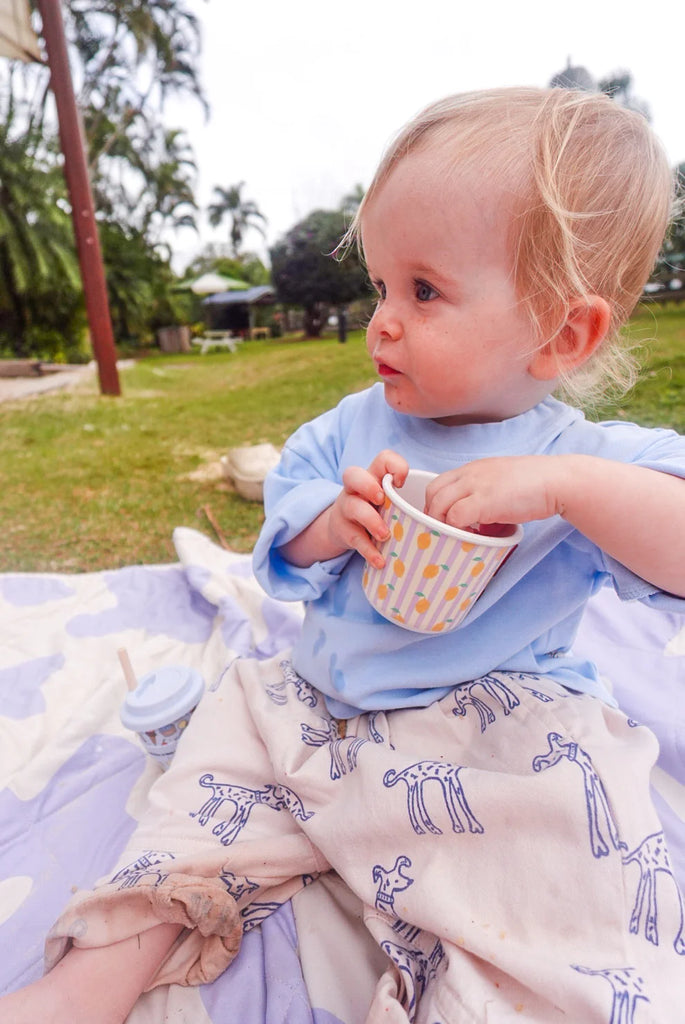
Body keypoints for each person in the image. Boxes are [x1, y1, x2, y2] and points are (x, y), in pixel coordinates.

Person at [3, 86, 685, 1023]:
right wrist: (333, 523)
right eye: (380, 286)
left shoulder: (585, 462)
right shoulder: (350, 429)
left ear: (561, 333)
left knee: (567, 855)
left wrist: (564, 491)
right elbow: (283, 529)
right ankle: (91, 980)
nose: (383, 322)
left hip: (487, 733)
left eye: (425, 290)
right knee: (208, 777)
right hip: (315, 705)